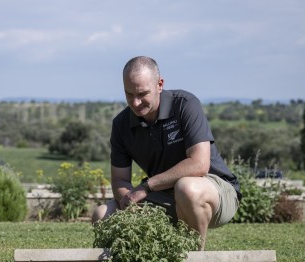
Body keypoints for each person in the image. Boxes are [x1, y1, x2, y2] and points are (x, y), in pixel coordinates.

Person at [92, 56, 241, 250]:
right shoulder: (121, 124)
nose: (135, 103)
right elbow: (120, 180)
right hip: (163, 194)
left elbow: (199, 164)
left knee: (186, 187)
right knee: (102, 215)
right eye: (129, 94)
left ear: (160, 84)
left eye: (142, 94)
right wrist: (127, 201)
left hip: (215, 191)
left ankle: (195, 261)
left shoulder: (185, 104)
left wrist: (146, 186)